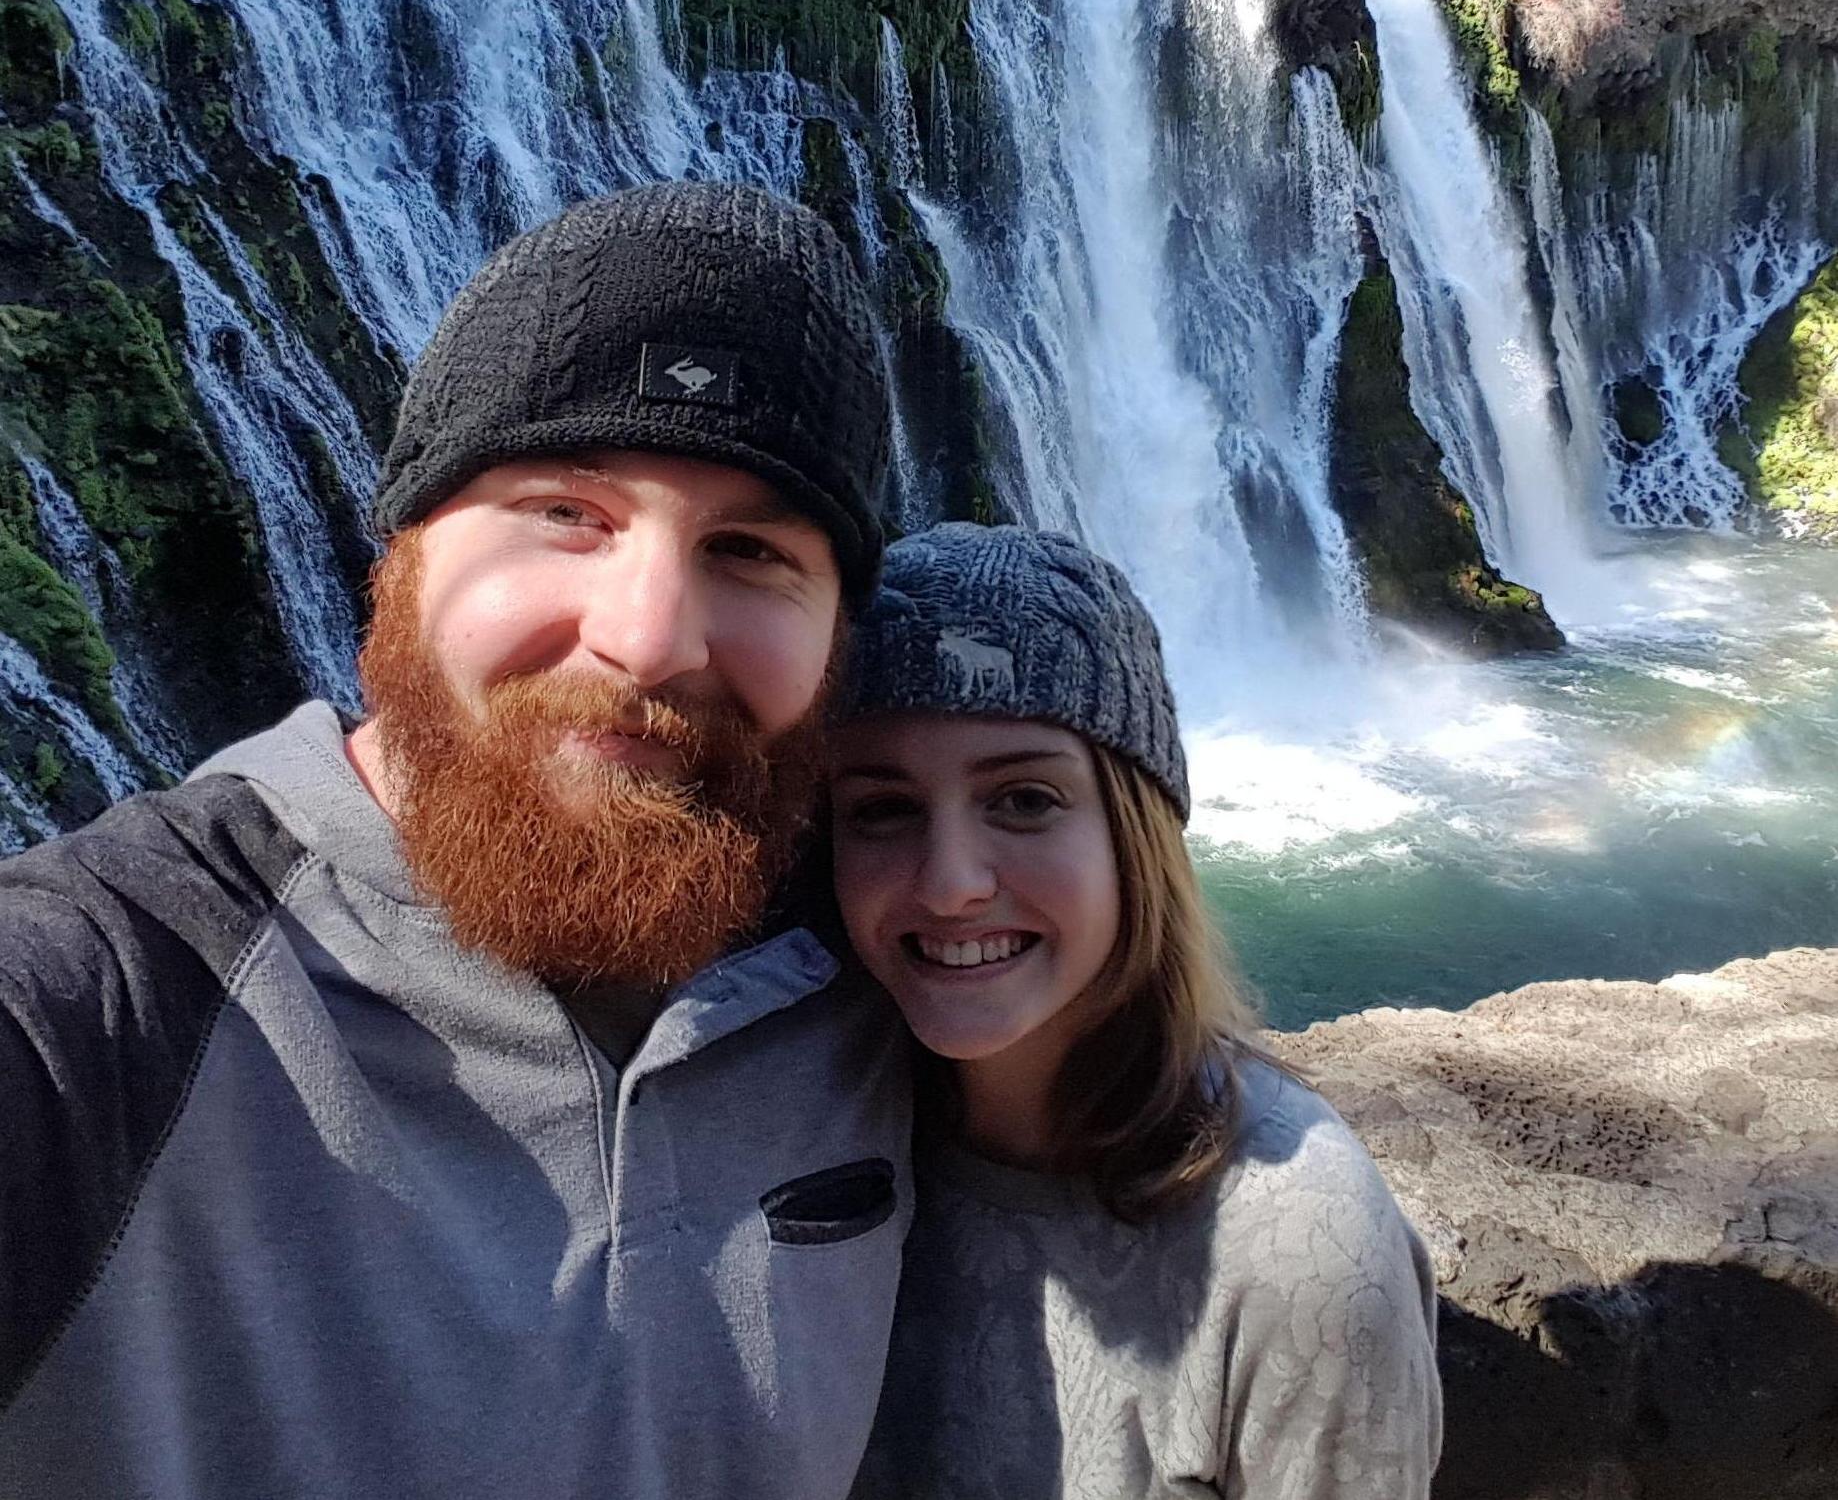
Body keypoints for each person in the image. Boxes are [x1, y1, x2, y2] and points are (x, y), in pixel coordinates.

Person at [0, 183, 912, 1500]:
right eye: (564, 512)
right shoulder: (105, 998)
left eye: (752, 549)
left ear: (835, 632)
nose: (648, 637)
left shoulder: (894, 965)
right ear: (404, 553)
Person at [830, 522, 1443, 1500]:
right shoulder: (794, 1145)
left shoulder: (1298, 1242)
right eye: (881, 808)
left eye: (1024, 799)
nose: (949, 883)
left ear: (1133, 833)